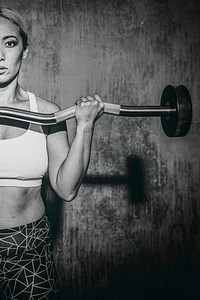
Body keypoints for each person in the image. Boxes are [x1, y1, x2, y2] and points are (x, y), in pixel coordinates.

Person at [0, 7, 104, 299]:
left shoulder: (47, 114)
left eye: (9, 43)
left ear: (25, 51)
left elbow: (66, 189)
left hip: (28, 252)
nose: (0, 55)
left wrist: (84, 126)